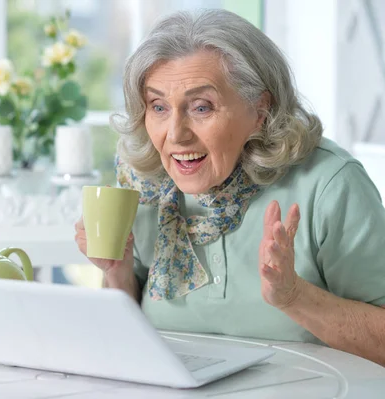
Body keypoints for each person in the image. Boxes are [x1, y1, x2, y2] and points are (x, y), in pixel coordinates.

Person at [74, 9, 385, 367]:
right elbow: (122, 345)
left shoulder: (330, 184)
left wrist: (294, 297)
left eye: (201, 107)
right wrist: (117, 271)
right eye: (158, 106)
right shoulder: (146, 185)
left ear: (259, 110)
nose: (175, 134)